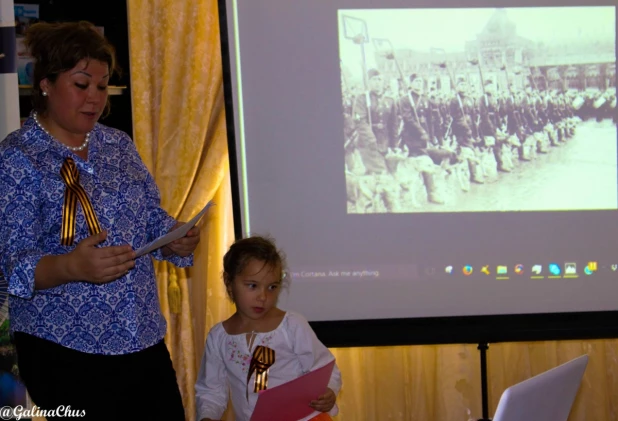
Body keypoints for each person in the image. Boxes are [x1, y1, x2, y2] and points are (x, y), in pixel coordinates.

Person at [0, 21, 200, 420]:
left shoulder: (118, 145)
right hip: (64, 349)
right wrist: (70, 266)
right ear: (45, 84)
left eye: (102, 85)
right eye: (81, 84)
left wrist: (174, 236)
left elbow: (147, 217)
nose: (94, 97)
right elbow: (10, 267)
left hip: (141, 336)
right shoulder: (18, 158)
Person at [195, 236, 342, 421]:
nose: (263, 296)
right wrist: (207, 416)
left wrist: (328, 391)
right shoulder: (219, 337)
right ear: (229, 282)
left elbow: (325, 368)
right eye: (253, 286)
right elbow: (211, 391)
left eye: (272, 287)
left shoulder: (291, 326)